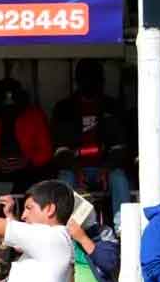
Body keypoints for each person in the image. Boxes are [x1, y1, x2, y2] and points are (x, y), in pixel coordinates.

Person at [52, 59, 131, 232]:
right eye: (85, 80)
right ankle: (64, 230)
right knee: (65, 180)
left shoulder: (112, 106)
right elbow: (60, 149)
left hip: (106, 168)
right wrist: (76, 168)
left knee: (119, 178)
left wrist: (106, 168)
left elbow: (120, 147)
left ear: (101, 81)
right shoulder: (64, 107)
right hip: (74, 168)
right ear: (77, 82)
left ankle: (122, 230)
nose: (89, 84)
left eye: (94, 80)